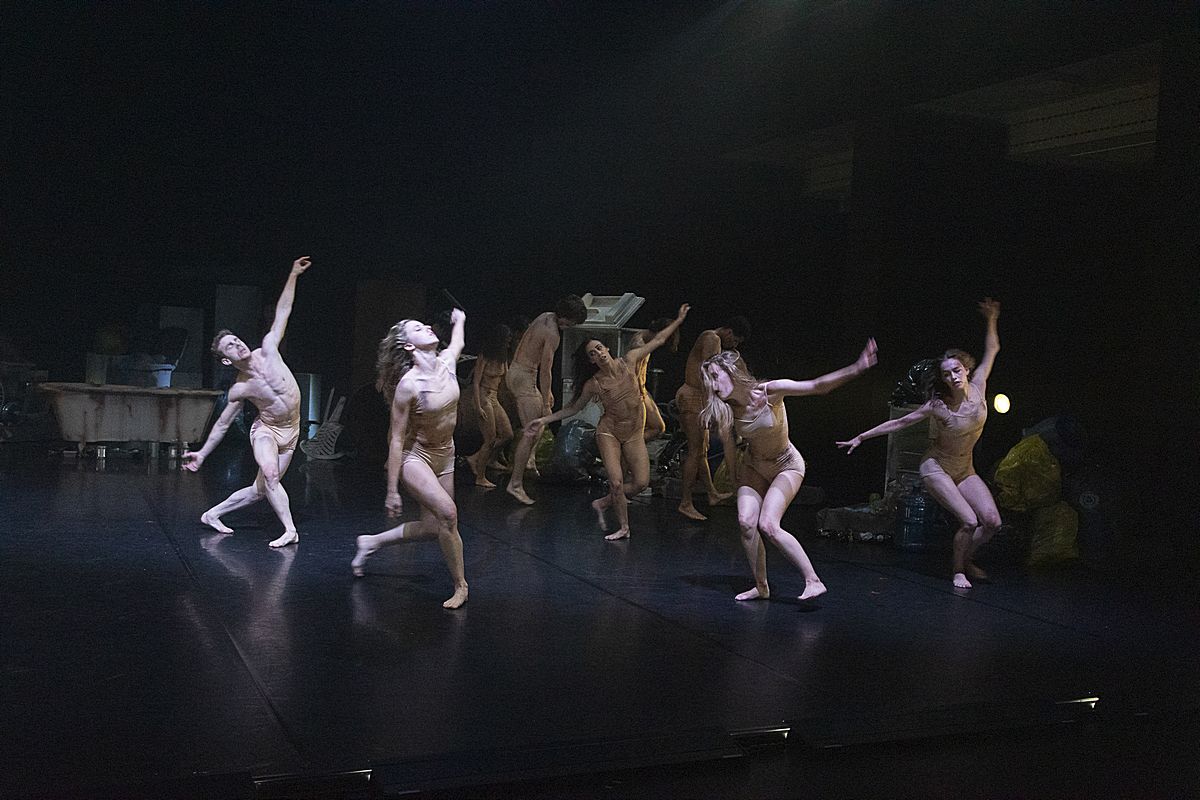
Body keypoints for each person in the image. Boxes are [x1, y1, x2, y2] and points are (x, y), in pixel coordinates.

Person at [837, 299, 1001, 589]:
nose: (953, 377)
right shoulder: (939, 406)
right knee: (969, 521)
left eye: (957, 370)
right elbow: (900, 423)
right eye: (947, 374)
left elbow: (992, 349)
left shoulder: (980, 385)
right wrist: (861, 436)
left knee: (992, 522)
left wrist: (991, 318)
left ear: (966, 369)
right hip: (936, 468)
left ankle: (965, 558)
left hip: (965, 469)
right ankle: (958, 571)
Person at [702, 338, 878, 601]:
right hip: (754, 466)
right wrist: (735, 478)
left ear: (732, 371)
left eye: (716, 377)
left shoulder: (770, 391)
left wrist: (856, 368)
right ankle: (761, 587)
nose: (714, 386)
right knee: (746, 523)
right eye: (710, 381)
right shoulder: (726, 410)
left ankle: (813, 580)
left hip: (786, 465)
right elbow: (729, 446)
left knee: (768, 525)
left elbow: (817, 386)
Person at [530, 304, 691, 540]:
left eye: (599, 348)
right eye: (592, 354)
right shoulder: (594, 384)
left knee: (641, 483)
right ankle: (624, 527)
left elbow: (658, 340)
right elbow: (574, 408)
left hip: (633, 432)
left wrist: (678, 320)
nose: (598, 353)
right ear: (591, 361)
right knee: (616, 482)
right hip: (609, 432)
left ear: (607, 348)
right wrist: (544, 419)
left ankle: (604, 502)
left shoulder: (630, 360)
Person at [184, 256, 311, 548]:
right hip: (267, 430)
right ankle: (290, 530)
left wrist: (293, 274)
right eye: (230, 345)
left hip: (292, 431)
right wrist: (202, 454)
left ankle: (212, 514)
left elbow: (283, 310)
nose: (237, 343)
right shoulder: (240, 388)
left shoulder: (268, 349)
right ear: (226, 360)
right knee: (271, 474)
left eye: (236, 339)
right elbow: (222, 424)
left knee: (260, 490)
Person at [351, 309, 470, 609]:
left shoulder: (447, 362)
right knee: (449, 514)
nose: (427, 327)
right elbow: (396, 438)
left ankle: (371, 542)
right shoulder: (409, 385)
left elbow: (457, 342)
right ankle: (461, 586)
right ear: (408, 345)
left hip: (446, 454)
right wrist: (392, 490)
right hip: (416, 457)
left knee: (433, 528)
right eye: (418, 328)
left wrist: (460, 321)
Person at [504, 295, 588, 505]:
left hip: (516, 371)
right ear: (566, 318)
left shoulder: (545, 316)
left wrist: (545, 395)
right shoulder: (553, 334)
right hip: (525, 376)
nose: (571, 326)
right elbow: (546, 370)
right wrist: (545, 398)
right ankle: (515, 483)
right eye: (572, 322)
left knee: (542, 422)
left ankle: (529, 459)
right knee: (533, 429)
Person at [674, 316, 750, 520]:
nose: (734, 345)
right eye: (735, 340)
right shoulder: (712, 338)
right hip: (692, 398)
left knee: (702, 451)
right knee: (695, 451)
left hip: (700, 399)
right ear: (729, 332)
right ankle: (685, 502)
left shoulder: (713, 340)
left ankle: (712, 494)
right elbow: (712, 372)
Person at [464, 323, 514, 488]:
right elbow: (476, 382)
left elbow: (507, 380)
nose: (509, 342)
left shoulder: (502, 358)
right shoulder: (485, 356)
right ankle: (480, 476)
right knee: (490, 439)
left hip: (494, 397)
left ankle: (478, 458)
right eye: (506, 339)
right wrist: (478, 406)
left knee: (507, 434)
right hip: (483, 396)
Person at [628, 317, 680, 442]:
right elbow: (633, 375)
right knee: (654, 428)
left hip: (640, 390)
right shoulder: (640, 346)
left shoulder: (641, 337)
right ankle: (628, 444)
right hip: (635, 392)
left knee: (658, 427)